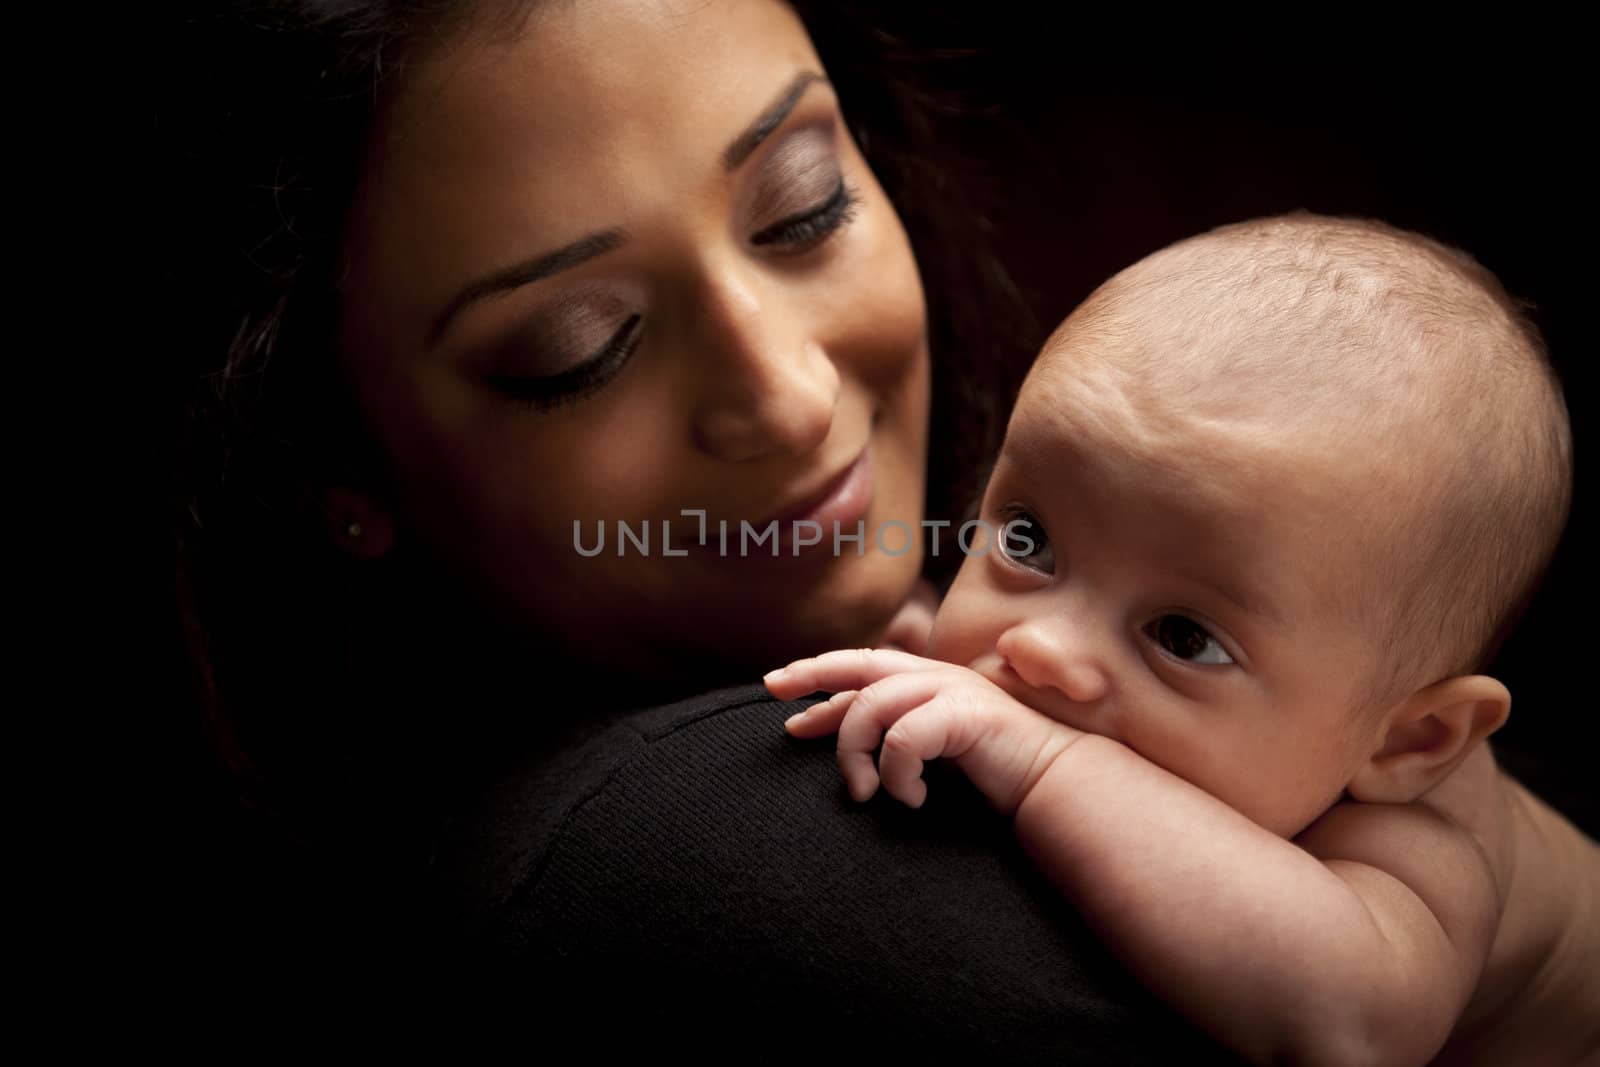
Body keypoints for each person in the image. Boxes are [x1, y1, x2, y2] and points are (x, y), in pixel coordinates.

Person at [172, 0, 1240, 1057]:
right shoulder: (672, 872)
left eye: (802, 207)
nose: (787, 398)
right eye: (580, 349)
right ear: (332, 463)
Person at [769, 214, 1599, 1064]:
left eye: (1181, 636)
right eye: (1028, 540)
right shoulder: (1286, 676)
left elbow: (1350, 1027)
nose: (1038, 648)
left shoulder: (1427, 834)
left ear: (1410, 738)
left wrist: (1043, 763)